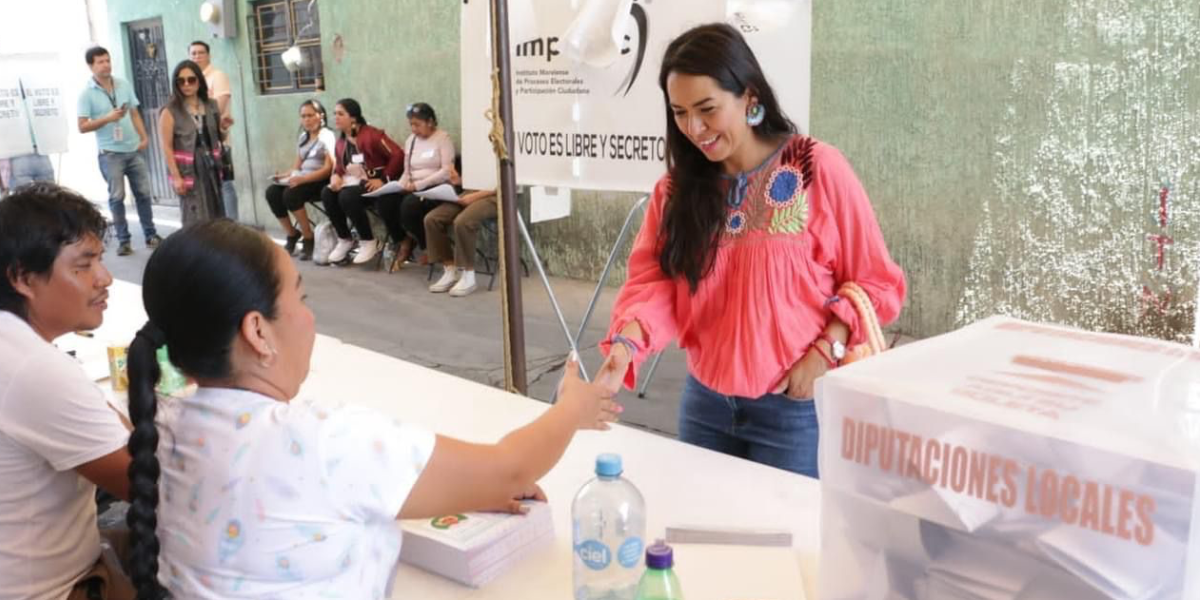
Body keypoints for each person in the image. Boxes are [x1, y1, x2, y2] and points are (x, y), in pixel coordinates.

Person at [122, 219, 619, 597]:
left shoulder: (162, 424)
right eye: (301, 295)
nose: (310, 315)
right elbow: (511, 470)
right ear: (258, 332)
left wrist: (462, 488)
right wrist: (572, 409)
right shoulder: (321, 439)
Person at [596, 24, 907, 478]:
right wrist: (627, 345)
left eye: (707, 109)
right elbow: (657, 285)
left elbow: (874, 279)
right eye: (679, 113)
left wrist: (824, 354)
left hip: (792, 410)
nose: (694, 129)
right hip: (705, 404)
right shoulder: (676, 191)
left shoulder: (815, 167)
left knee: (785, 544)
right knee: (702, 535)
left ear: (749, 96)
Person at [0, 183, 134, 600]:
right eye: (84, 265)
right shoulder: (32, 366)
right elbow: (149, 484)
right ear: (23, 277)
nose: (105, 278)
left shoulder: (15, 344)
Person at [76, 46, 161, 257]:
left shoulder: (123, 84)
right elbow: (82, 126)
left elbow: (134, 113)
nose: (106, 65)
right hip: (110, 153)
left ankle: (150, 235)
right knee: (117, 197)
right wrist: (107, 118)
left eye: (107, 60)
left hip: (133, 149)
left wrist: (144, 136)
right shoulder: (86, 94)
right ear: (90, 66)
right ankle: (124, 240)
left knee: (143, 193)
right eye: (100, 62)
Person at [320, 99, 404, 265]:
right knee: (327, 193)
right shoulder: (341, 142)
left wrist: (383, 179)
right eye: (334, 113)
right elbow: (339, 167)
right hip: (354, 183)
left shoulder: (372, 135)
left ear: (353, 118)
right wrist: (335, 176)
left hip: (375, 185)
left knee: (347, 196)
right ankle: (345, 239)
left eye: (340, 114)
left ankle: (368, 241)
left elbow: (398, 155)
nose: (335, 117)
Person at [264, 99, 335, 261]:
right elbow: (297, 166)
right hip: (301, 179)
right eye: (303, 116)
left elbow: (328, 169)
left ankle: (308, 237)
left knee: (291, 194)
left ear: (320, 116)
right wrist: (282, 176)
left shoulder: (327, 136)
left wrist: (302, 180)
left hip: (319, 181)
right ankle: (292, 234)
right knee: (272, 192)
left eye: (310, 115)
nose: (307, 120)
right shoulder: (303, 137)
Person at [159, 60, 226, 227]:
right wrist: (176, 177)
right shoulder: (170, 110)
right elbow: (166, 147)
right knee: (194, 212)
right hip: (188, 167)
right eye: (181, 81)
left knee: (216, 208)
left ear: (199, 81)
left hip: (210, 163)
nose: (186, 84)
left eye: (191, 79)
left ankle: (215, 249)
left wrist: (224, 128)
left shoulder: (211, 105)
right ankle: (195, 250)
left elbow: (219, 137)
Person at [388, 103, 456, 267]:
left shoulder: (443, 138)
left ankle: (428, 247)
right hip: (414, 187)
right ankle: (405, 241)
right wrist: (400, 185)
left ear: (430, 122)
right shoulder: (411, 140)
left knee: (409, 206)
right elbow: (407, 171)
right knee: (387, 201)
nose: (414, 129)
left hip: (436, 188)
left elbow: (447, 170)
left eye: (417, 124)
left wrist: (419, 185)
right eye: (411, 124)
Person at [424, 163, 496, 296]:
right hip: (471, 191)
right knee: (432, 219)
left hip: (496, 196)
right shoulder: (476, 146)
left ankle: (468, 274)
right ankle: (450, 269)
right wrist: (460, 181)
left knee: (463, 221)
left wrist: (475, 196)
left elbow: (510, 184)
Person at [189, 41, 239, 221]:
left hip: (219, 140)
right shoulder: (190, 81)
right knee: (205, 186)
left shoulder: (217, 76)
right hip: (197, 144)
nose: (197, 56)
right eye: (193, 53)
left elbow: (216, 108)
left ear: (208, 55)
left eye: (201, 53)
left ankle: (233, 226)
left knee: (225, 184)